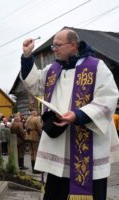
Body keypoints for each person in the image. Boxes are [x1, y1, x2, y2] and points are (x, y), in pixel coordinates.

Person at [20, 28, 119, 200]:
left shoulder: (96, 67)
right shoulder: (53, 70)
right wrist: (27, 57)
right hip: (58, 149)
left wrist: (79, 115)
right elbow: (34, 84)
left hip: (89, 146)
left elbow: (108, 98)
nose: (54, 49)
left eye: (57, 45)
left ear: (73, 45)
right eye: (53, 46)